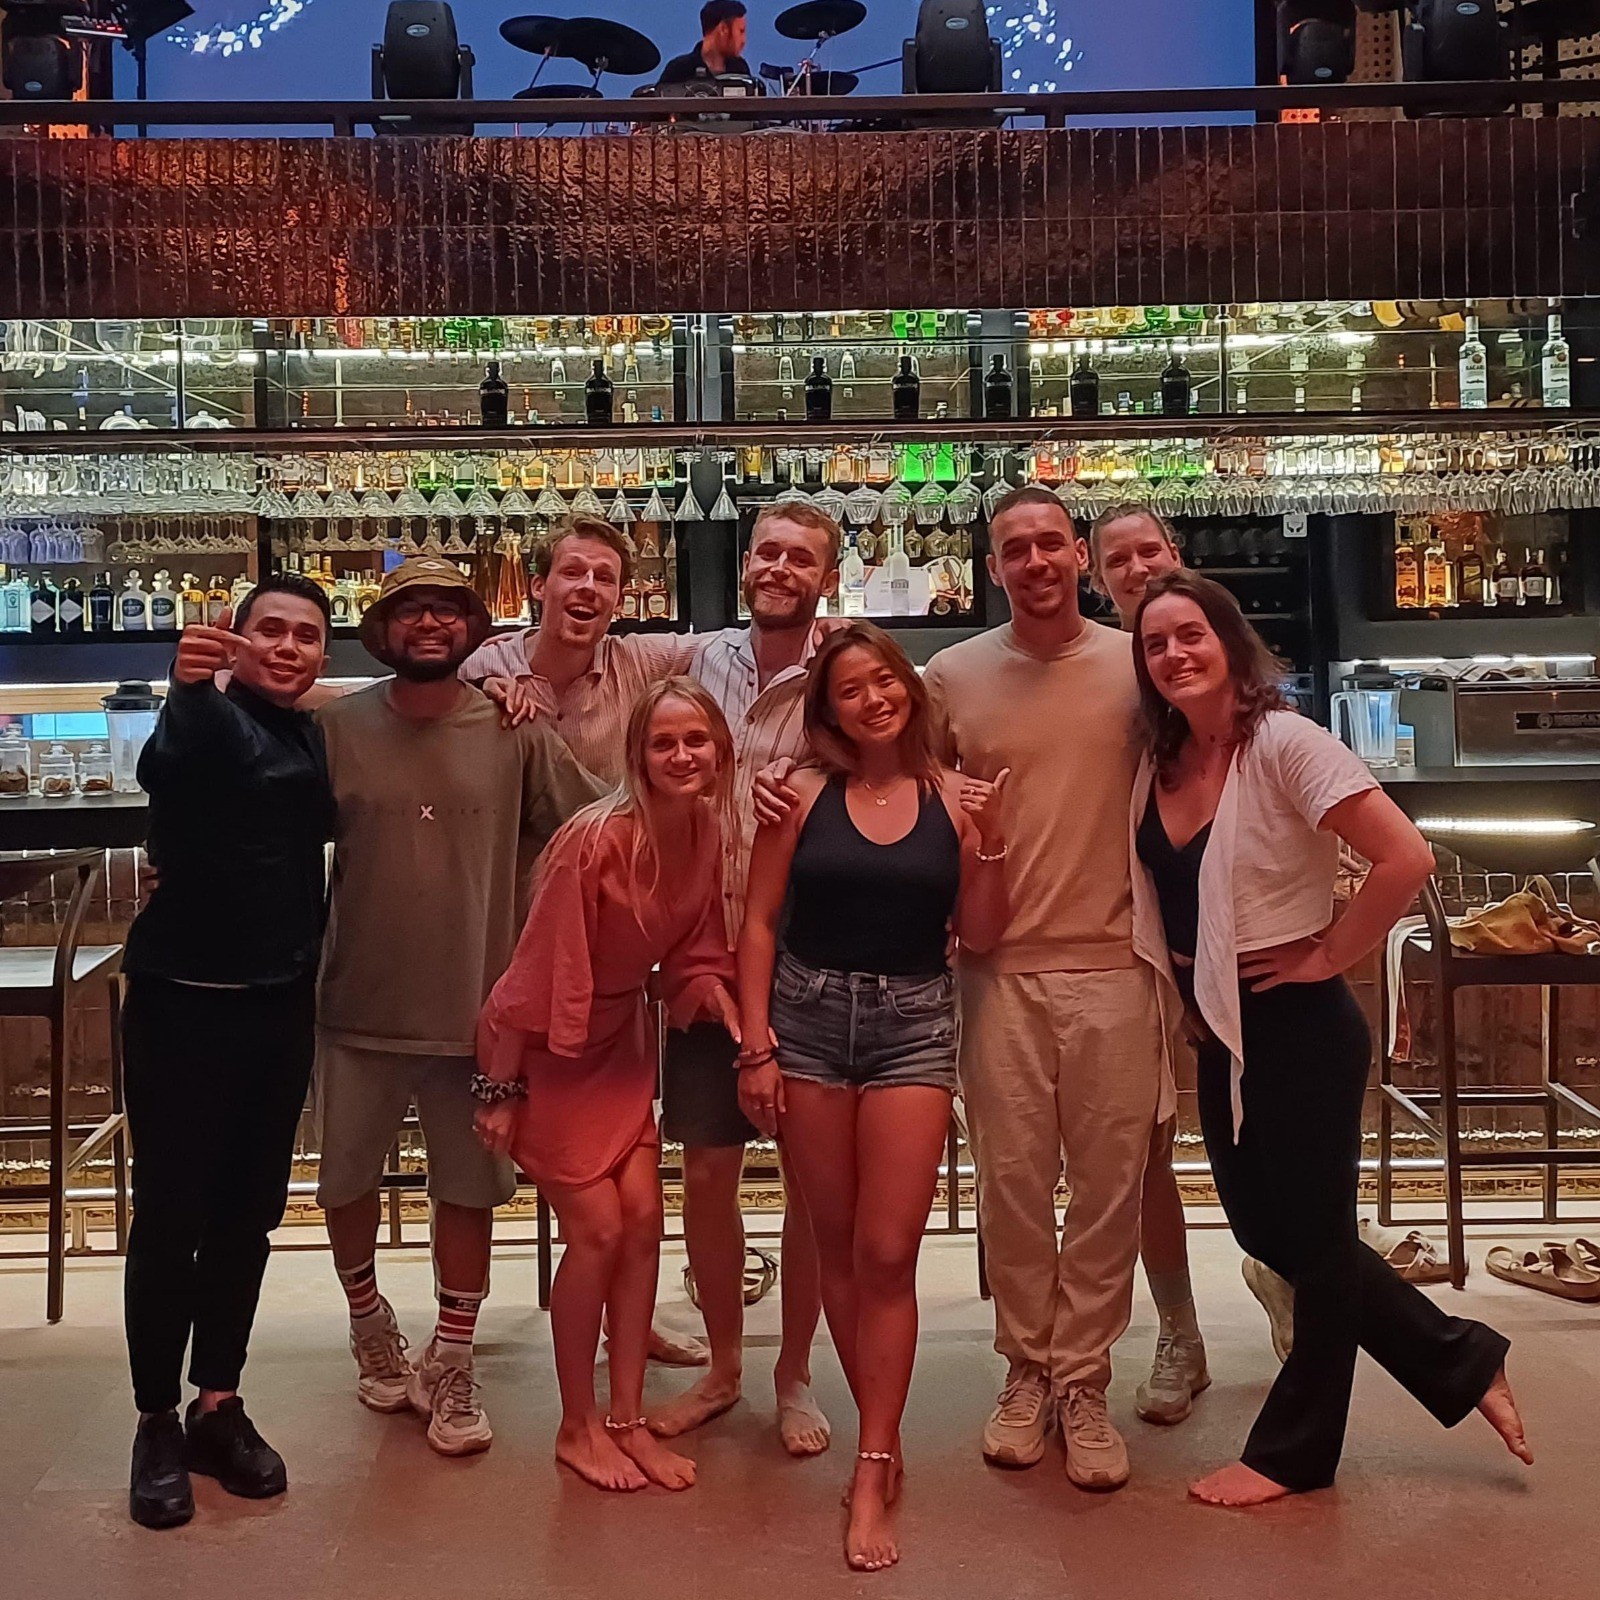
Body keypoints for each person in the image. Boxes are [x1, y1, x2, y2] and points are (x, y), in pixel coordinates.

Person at [1129, 569, 1531, 1506]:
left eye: (1191, 634)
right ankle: (1461, 1357)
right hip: (1222, 1020)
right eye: (1155, 644)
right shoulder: (1164, 759)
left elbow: (1406, 855)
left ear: (1229, 641)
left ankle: (1293, 1454)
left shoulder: (1283, 740)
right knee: (1268, 1228)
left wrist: (1332, 955)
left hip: (1298, 1019)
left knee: (1311, 1239)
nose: (1175, 654)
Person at [315, 557, 605, 1458]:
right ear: (383, 630)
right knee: (344, 1182)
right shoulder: (337, 726)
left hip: (480, 1013)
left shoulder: (515, 729)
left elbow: (597, 830)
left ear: (474, 630)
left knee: (469, 1189)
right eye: (411, 611)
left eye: (447, 610)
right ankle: (369, 1323)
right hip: (356, 1001)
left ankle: (453, 1355)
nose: (430, 625)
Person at [737, 624, 1010, 1572]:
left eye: (883, 681)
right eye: (849, 689)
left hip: (915, 1026)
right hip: (806, 1020)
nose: (872, 699)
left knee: (890, 1249)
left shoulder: (953, 796)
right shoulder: (802, 794)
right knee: (839, 1236)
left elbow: (977, 931)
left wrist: (989, 842)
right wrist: (755, 1043)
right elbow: (761, 920)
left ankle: (875, 1453)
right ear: (829, 710)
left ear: (910, 689)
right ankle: (875, 1447)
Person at [921, 487, 1171, 1492]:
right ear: (993, 568)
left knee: (1109, 1189)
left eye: (1047, 544)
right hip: (997, 970)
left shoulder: (1137, 661)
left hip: (1118, 962)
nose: (1032, 561)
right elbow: (909, 784)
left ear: (1080, 555)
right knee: (1013, 1185)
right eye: (1012, 549)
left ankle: (1085, 1378)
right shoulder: (950, 674)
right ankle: (1025, 1368)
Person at [475, 679, 741, 1494]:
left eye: (697, 740)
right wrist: (499, 1087)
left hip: (622, 1043)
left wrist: (722, 997)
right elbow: (533, 972)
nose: (682, 756)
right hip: (550, 1048)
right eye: (664, 743)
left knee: (645, 1222)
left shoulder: (704, 830)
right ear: (637, 755)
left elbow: (694, 948)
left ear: (720, 750)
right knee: (594, 1230)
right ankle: (575, 1425)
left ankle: (625, 1419)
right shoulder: (593, 841)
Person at [120, 575, 335, 1530]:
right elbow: (173, 762)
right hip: (183, 1004)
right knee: (171, 1218)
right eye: (271, 632)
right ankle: (155, 1421)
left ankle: (218, 1401)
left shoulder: (303, 728)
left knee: (248, 1216)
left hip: (278, 1004)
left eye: (308, 636)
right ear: (235, 641)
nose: (288, 647)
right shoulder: (206, 716)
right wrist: (185, 683)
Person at [644, 503, 839, 1459]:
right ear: (745, 562)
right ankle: (724, 1367)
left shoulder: (849, 668)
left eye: (800, 557)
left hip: (807, 968)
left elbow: (911, 755)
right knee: (709, 1173)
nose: (778, 567)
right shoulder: (689, 658)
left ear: (824, 576)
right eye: (767, 551)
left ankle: (793, 1374)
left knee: (809, 1185)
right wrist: (500, 677)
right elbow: (562, 655)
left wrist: (809, 789)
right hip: (700, 968)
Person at [460, 515, 696, 789]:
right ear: (538, 586)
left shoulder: (637, 661)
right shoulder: (478, 667)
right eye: (572, 572)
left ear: (619, 600)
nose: (588, 586)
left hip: (607, 832)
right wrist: (478, 687)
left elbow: (733, 644)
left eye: (605, 578)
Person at [658, 0, 751, 86]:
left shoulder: (740, 70)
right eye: (741, 31)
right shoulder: (678, 70)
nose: (743, 40)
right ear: (723, 29)